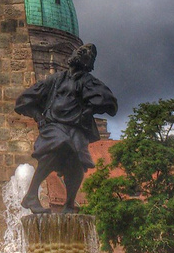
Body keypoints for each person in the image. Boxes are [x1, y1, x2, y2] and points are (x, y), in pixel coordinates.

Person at [15, 42, 118, 213]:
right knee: (59, 144)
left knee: (77, 164)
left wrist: (90, 109)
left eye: (86, 54)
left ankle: (69, 204)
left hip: (76, 128)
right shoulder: (55, 79)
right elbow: (23, 101)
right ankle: (31, 195)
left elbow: (110, 103)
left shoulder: (88, 81)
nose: (81, 54)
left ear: (88, 63)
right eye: (81, 50)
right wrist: (39, 118)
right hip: (54, 125)